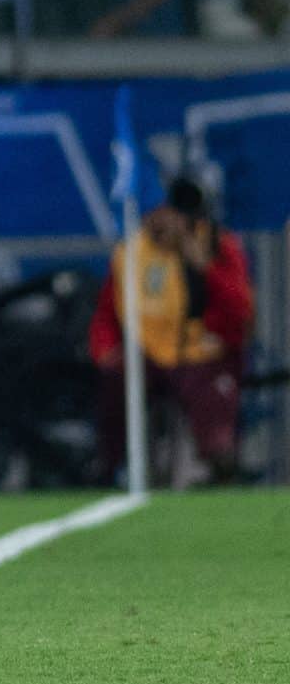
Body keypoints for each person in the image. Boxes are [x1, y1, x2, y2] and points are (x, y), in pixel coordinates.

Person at [88, 176, 252, 484]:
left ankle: (219, 465)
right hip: (145, 353)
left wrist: (204, 267)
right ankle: (110, 466)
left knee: (210, 392)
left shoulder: (216, 244)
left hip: (201, 353)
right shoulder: (132, 253)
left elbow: (239, 312)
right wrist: (106, 350)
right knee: (115, 384)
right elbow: (107, 313)